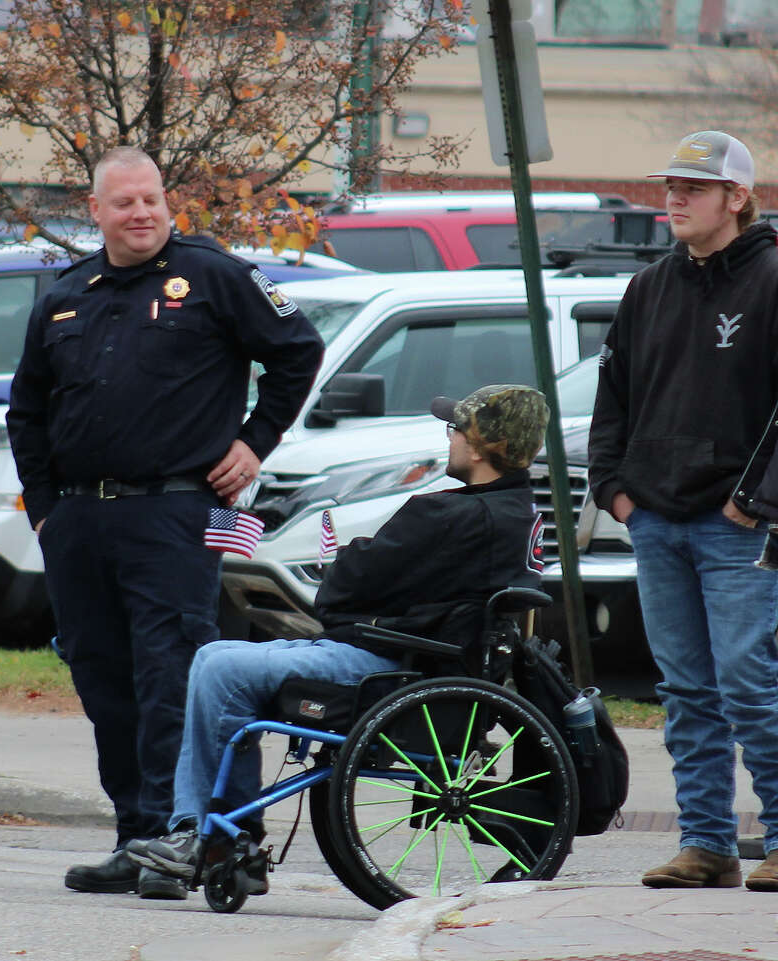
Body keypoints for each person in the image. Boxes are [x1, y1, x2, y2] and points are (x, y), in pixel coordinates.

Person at [6, 146, 324, 899]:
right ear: (95, 211)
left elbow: (298, 352)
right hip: (81, 520)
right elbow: (27, 409)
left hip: (176, 513)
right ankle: (135, 833)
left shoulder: (213, 275)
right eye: (125, 203)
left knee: (169, 677)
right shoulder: (65, 293)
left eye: (151, 199)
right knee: (103, 677)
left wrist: (254, 444)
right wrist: (47, 511)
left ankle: (177, 837)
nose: (142, 213)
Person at [125, 384, 550, 885]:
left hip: (393, 671)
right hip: (436, 668)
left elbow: (343, 589)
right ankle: (227, 843)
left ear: (480, 446)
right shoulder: (517, 514)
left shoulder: (447, 515)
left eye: (456, 429)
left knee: (219, 666)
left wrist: (347, 562)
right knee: (223, 660)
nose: (450, 438)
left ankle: (198, 832)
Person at [588, 130, 778, 892]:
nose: (674, 198)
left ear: (737, 197)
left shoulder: (770, 278)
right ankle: (706, 844)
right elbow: (614, 396)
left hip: (738, 526)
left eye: (693, 188)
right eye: (670, 185)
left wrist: (755, 502)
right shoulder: (651, 287)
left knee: (748, 682)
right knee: (686, 690)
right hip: (656, 520)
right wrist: (616, 491)